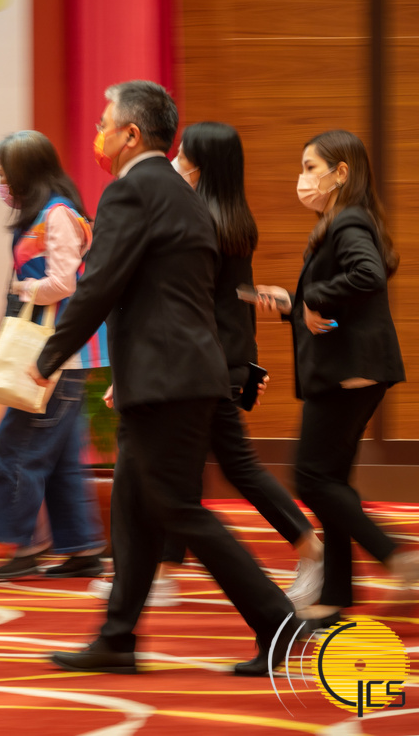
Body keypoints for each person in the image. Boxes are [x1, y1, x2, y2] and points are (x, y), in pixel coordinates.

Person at [35, 81, 301, 677]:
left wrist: (47, 357)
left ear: (130, 134)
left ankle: (279, 624)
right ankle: (117, 637)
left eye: (104, 123)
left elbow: (99, 285)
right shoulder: (181, 194)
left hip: (167, 379)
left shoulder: (131, 191)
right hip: (175, 375)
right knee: (134, 510)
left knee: (178, 509)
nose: (98, 133)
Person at [88, 122, 324, 607]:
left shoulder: (200, 219)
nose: (175, 160)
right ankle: (160, 573)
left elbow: (200, 308)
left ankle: (309, 554)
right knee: (190, 472)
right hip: (217, 360)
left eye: (184, 154)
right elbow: (233, 304)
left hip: (201, 363)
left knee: (202, 471)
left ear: (201, 163)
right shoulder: (227, 216)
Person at [253, 129, 411, 627]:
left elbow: (368, 276)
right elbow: (342, 309)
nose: (302, 179)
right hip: (350, 369)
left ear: (341, 173)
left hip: (349, 372)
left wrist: (314, 297)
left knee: (312, 477)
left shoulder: (348, 221)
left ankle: (395, 556)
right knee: (330, 480)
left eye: (310, 168)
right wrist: (293, 304)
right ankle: (338, 593)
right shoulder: (340, 221)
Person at [0, 131, 106, 581]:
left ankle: (24, 546)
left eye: (4, 175)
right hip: (60, 356)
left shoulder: (57, 215)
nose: (1, 183)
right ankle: (83, 550)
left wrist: (24, 289)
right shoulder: (48, 214)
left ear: (25, 173)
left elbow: (65, 283)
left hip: (53, 358)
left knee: (13, 451)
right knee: (62, 461)